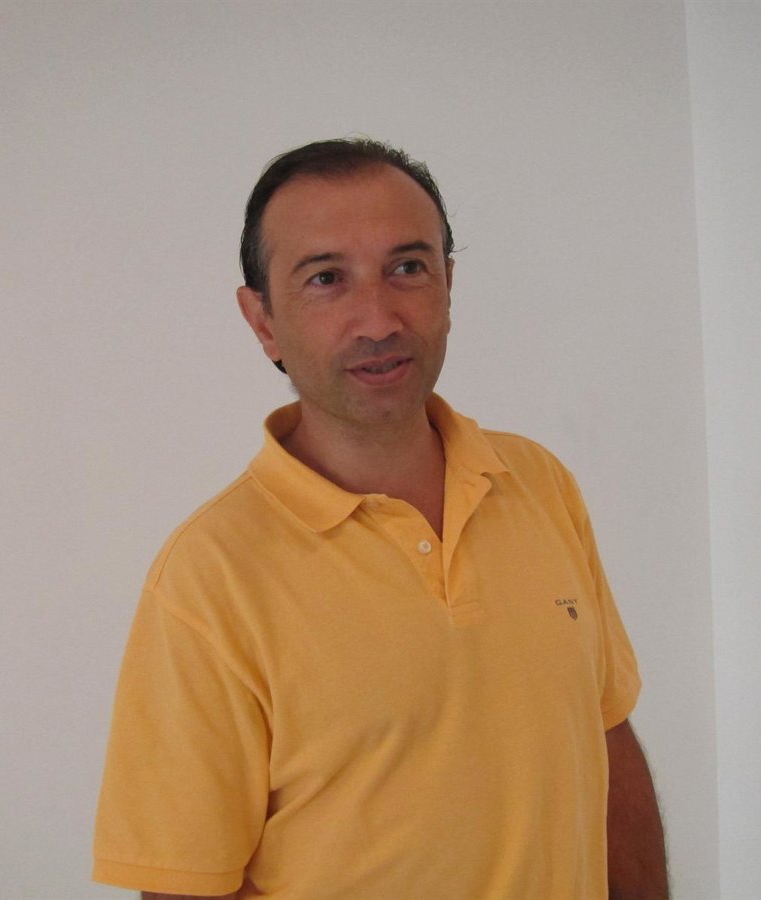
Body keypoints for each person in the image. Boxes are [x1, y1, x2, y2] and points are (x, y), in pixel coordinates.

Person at [93, 138, 669, 900]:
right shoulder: (208, 578)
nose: (378, 319)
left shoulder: (539, 485)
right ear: (262, 320)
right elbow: (184, 887)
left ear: (449, 285)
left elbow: (606, 738)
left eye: (407, 268)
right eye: (326, 278)